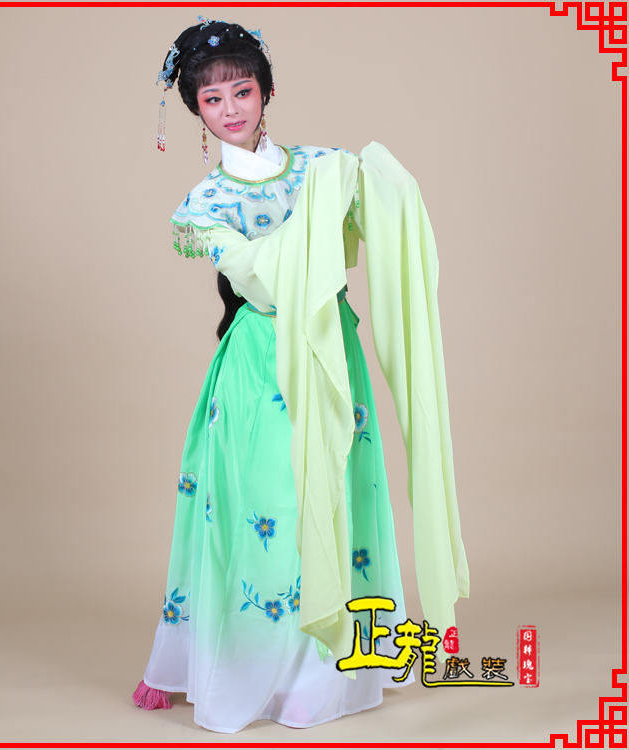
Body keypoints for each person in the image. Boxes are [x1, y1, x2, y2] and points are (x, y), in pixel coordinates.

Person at [132, 18, 469, 733]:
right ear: (196, 110)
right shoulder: (205, 205)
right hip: (261, 360)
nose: (231, 109)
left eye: (242, 91)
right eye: (213, 99)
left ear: (267, 91)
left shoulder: (324, 167)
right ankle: (247, 665)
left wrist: (375, 178)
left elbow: (387, 221)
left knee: (339, 497)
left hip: (332, 350)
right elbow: (260, 278)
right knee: (266, 509)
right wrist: (318, 213)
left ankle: (325, 669)